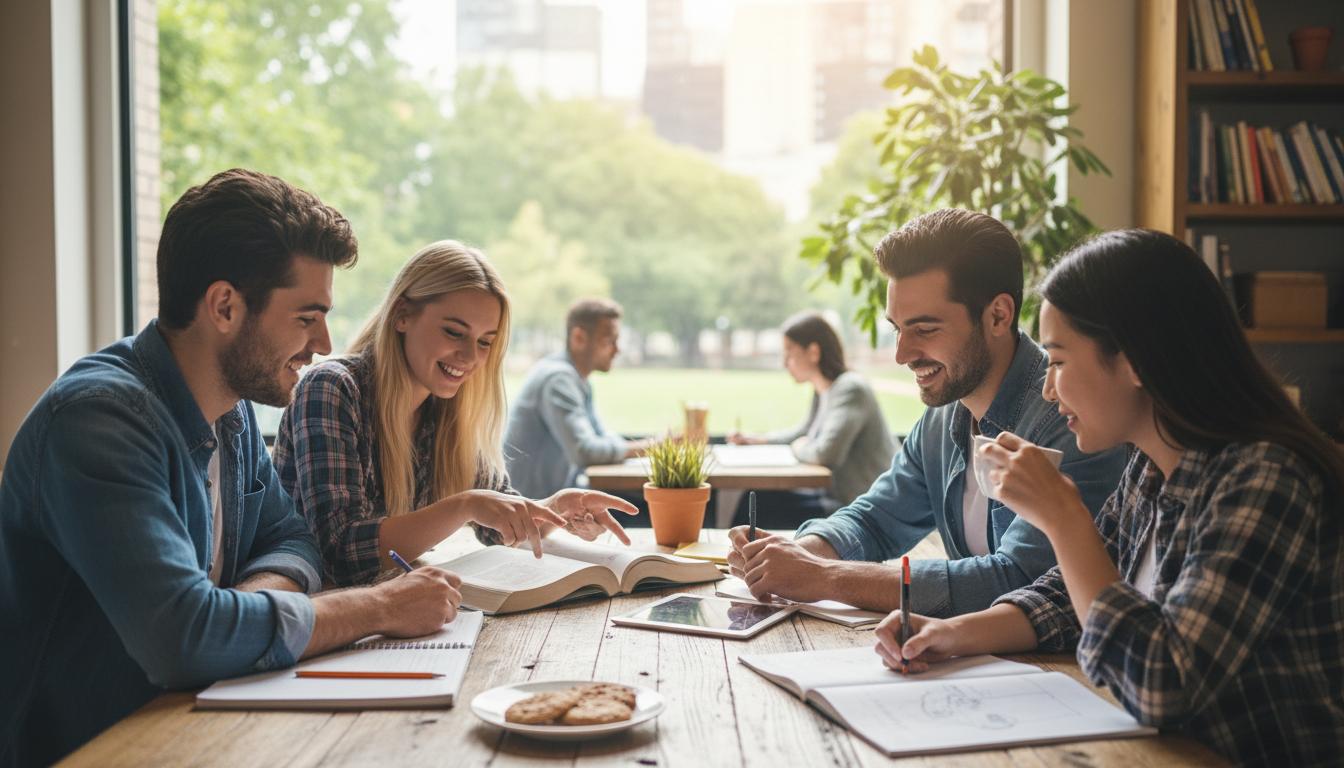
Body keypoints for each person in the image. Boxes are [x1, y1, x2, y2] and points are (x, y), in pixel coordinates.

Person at [0, 170, 465, 767]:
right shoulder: (98, 421)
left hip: (196, 727)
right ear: (224, 306)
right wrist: (381, 608)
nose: (324, 342)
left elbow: (292, 539)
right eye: (305, 317)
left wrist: (244, 610)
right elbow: (186, 639)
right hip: (94, 750)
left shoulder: (234, 414)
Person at [873, 229, 1344, 765]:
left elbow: (1163, 684)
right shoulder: (1151, 465)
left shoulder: (1265, 481)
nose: (1048, 389)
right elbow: (1069, 602)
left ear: (1135, 361)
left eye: (1058, 361)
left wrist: (1064, 517)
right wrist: (952, 634)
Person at [728, 209, 1127, 616]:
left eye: (924, 330)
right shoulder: (943, 418)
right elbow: (875, 520)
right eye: (897, 329)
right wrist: (796, 554)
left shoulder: (1072, 418)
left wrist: (823, 577)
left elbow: (1023, 582)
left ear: (998, 316)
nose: (902, 354)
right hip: (964, 657)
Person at [274, 243, 638, 588]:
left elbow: (496, 523)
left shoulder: (446, 410)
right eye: (454, 332)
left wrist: (554, 509)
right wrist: (465, 505)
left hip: (389, 614)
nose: (469, 357)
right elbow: (341, 552)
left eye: (484, 342)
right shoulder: (332, 389)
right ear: (402, 316)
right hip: (312, 620)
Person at [728, 311, 895, 523]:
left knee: (757, 508)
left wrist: (798, 448)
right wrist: (758, 440)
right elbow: (804, 432)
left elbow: (826, 454)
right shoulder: (824, 391)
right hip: (833, 497)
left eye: (789, 352)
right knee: (754, 501)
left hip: (857, 508)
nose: (784, 362)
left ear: (813, 352)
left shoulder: (850, 389)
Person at [503, 298, 653, 500]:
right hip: (528, 510)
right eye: (609, 341)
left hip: (549, 503)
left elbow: (601, 437)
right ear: (579, 338)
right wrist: (649, 447)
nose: (617, 350)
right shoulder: (558, 380)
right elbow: (585, 452)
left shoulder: (578, 380)